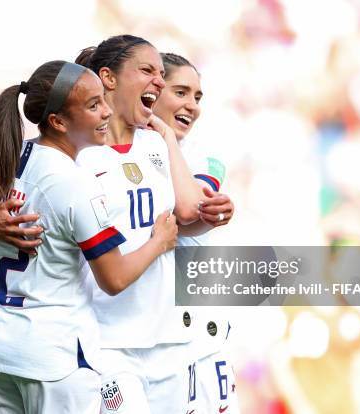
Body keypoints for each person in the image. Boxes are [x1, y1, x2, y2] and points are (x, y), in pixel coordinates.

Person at [0, 35, 234, 413]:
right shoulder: (69, 157)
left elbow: (176, 222)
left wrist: (208, 220)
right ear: (108, 79)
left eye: (162, 75)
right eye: (149, 72)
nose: (158, 83)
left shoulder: (157, 146)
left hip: (164, 336)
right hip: (99, 340)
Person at [156, 52, 240, 413]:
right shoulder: (110, 152)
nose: (192, 105)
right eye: (181, 92)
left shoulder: (205, 154)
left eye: (197, 96)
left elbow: (190, 212)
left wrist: (163, 136)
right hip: (145, 333)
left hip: (196, 337)